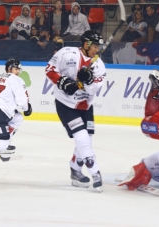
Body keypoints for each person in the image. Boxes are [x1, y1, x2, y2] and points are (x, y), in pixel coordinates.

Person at [45, 30, 106, 192]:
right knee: (82, 139)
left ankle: (75, 169)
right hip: (65, 105)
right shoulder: (67, 53)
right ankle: (95, 172)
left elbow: (93, 90)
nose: (97, 49)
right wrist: (63, 82)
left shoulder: (98, 65)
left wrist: (88, 80)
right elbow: (50, 69)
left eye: (98, 46)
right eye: (95, 45)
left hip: (86, 106)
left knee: (87, 141)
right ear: (86, 44)